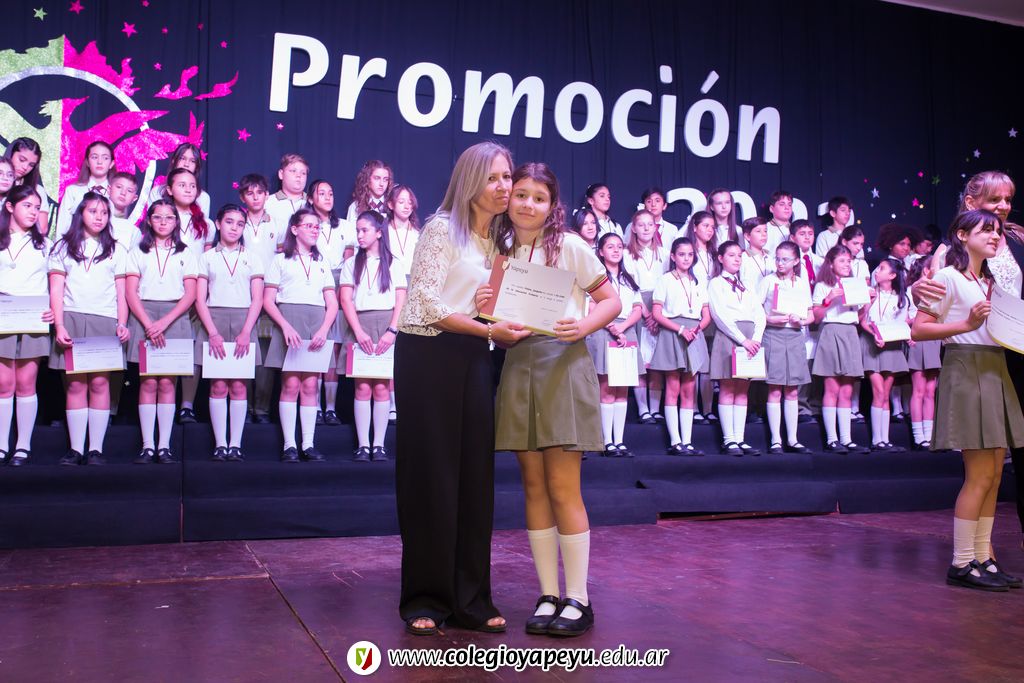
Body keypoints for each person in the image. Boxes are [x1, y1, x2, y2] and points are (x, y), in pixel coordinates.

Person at [479, 162, 619, 636]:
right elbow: (488, 311)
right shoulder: (499, 247)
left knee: (563, 487)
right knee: (533, 486)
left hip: (563, 363)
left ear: (552, 205)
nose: (527, 204)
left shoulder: (571, 246)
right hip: (518, 364)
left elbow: (612, 301)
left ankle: (578, 598)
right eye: (520, 194)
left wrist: (583, 326)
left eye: (539, 197)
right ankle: (547, 594)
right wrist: (485, 309)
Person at [394, 142, 529, 636]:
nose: (503, 186)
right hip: (428, 355)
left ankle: (471, 599)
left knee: (475, 477)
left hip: (474, 354)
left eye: (507, 176)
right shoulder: (440, 228)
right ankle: (426, 598)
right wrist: (489, 329)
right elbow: (424, 304)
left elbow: (490, 310)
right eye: (493, 177)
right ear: (470, 181)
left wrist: (504, 326)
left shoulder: (500, 242)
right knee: (431, 476)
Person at [911, 209, 1023, 590]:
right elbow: (919, 329)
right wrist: (967, 324)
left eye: (997, 231)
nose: (994, 236)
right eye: (985, 230)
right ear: (962, 235)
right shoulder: (947, 276)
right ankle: (961, 562)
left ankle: (983, 558)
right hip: (966, 368)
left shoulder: (989, 281)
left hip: (994, 369)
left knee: (992, 476)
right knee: (978, 475)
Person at [48, 192, 130, 465]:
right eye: (93, 211)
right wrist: (59, 324)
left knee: (100, 382)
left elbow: (121, 293)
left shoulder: (117, 249)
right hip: (71, 318)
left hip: (105, 319)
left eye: (104, 213)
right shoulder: (62, 247)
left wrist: (122, 323)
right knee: (75, 385)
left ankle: (95, 448)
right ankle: (76, 449)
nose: (99, 217)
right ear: (81, 213)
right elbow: (56, 290)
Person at [262, 209, 338, 463]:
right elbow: (268, 300)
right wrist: (285, 326)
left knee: (310, 386)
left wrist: (324, 330)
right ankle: (289, 445)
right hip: (290, 322)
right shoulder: (280, 260)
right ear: (294, 229)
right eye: (309, 226)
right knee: (291, 384)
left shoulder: (322, 262)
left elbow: (332, 303)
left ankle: (308, 443)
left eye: (317, 227)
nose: (314, 230)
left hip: (316, 323)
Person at [125, 200, 197, 465]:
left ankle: (164, 445)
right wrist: (148, 324)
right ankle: (147, 446)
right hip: (143, 315)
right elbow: (130, 292)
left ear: (176, 221)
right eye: (158, 217)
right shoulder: (137, 251)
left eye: (169, 217)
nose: (163, 222)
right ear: (149, 220)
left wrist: (164, 322)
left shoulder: (186, 253)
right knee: (148, 382)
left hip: (174, 318)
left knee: (167, 382)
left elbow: (190, 294)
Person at [194, 204, 264, 462]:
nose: (234, 228)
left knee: (239, 385)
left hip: (244, 321)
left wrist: (246, 331)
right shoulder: (207, 257)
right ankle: (220, 444)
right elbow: (200, 299)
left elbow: (257, 299)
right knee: (218, 384)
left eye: (240, 224)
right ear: (218, 223)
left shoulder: (253, 258)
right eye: (229, 222)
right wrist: (212, 333)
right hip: (214, 321)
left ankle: (235, 444)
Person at [339, 211, 405, 462]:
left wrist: (392, 330)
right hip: (360, 323)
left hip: (386, 324)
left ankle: (378, 444)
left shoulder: (393, 263)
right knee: (362, 386)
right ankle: (363, 445)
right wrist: (358, 331)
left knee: (382, 387)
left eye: (364, 230)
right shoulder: (350, 264)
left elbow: (400, 300)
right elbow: (346, 300)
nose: (359, 235)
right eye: (357, 230)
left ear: (379, 232)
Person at [0, 185, 52, 466]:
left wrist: (52, 311)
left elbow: (54, 284)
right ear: (10, 207)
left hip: (33, 319)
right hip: (3, 317)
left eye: (37, 207)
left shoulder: (44, 245)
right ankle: (1, 445)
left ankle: (23, 445)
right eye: (27, 206)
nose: (33, 212)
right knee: (3, 383)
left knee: (26, 382)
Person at [585, 233, 645, 457]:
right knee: (607, 387)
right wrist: (612, 326)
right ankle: (606, 441)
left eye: (619, 246)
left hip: (626, 332)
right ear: (601, 251)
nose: (616, 250)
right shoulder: (596, 277)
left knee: (622, 388)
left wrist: (623, 327)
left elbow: (637, 308)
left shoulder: (629, 279)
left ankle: (619, 441)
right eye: (610, 247)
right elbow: (591, 306)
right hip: (603, 330)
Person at [650, 236, 710, 455]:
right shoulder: (665, 280)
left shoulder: (697, 281)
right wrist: (680, 329)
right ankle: (675, 442)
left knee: (689, 388)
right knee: (673, 386)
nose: (686, 258)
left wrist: (697, 329)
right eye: (682, 254)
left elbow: (706, 315)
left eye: (690, 254)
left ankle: (687, 441)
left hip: (694, 333)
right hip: (674, 332)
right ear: (673, 257)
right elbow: (657, 314)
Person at [708, 241, 766, 456]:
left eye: (739, 256)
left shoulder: (746, 285)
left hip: (751, 338)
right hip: (730, 336)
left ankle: (740, 439)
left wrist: (756, 339)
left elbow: (759, 313)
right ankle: (729, 440)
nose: (736, 259)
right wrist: (743, 340)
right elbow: (720, 315)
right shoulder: (716, 283)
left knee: (743, 389)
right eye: (731, 255)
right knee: (727, 387)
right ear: (721, 258)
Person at [812, 245, 870, 453]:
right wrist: (829, 299)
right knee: (832, 388)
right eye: (842, 261)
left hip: (850, 333)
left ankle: (847, 439)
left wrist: (868, 302)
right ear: (831, 263)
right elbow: (816, 317)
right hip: (831, 331)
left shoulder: (854, 284)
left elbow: (859, 317)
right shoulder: (822, 285)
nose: (847, 264)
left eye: (849, 261)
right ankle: (832, 439)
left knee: (847, 389)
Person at [759, 240, 813, 453]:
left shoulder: (801, 283)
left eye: (785, 259)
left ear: (796, 261)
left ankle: (792, 439)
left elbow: (810, 314)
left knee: (792, 390)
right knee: (774, 388)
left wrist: (802, 320)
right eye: (778, 259)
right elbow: (755, 310)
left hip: (795, 336)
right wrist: (770, 319)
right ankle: (776, 440)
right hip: (773, 335)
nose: (780, 263)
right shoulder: (768, 281)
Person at [238, 173, 283, 424]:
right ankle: (242, 407)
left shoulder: (277, 223)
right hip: (241, 294)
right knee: (243, 351)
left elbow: (283, 257)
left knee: (265, 354)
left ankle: (262, 408)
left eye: (260, 192)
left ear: (267, 195)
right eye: (250, 193)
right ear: (242, 197)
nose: (255, 197)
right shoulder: (236, 221)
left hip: (268, 296)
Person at [622, 209, 669, 423]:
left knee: (657, 361)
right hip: (638, 305)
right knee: (640, 361)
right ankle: (643, 409)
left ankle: (655, 409)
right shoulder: (627, 253)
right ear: (634, 228)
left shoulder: (665, 253)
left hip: (660, 305)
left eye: (650, 224)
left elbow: (667, 283)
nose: (646, 228)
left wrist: (657, 314)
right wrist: (647, 313)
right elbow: (632, 286)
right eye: (641, 225)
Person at [859, 257, 910, 452]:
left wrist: (907, 337)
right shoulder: (870, 293)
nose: (877, 272)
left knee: (885, 394)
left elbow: (902, 324)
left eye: (882, 269)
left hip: (891, 346)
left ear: (892, 275)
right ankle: (876, 440)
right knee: (878, 391)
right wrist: (875, 334)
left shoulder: (901, 298)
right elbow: (862, 321)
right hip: (872, 344)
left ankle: (885, 439)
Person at [905, 257, 940, 450]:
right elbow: (906, 318)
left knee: (930, 391)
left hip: (934, 339)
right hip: (918, 339)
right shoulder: (912, 290)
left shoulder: (940, 288)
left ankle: (930, 435)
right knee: (918, 390)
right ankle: (918, 437)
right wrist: (911, 329)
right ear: (927, 270)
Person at [56, 141, 114, 238]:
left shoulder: (116, 194)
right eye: (94, 157)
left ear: (111, 163)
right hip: (76, 245)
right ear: (87, 162)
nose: (100, 162)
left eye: (105, 158)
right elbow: (63, 225)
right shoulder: (73, 191)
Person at [147, 143, 212, 219]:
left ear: (196, 167)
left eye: (192, 161)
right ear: (173, 161)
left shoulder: (203, 197)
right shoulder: (157, 192)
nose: (186, 164)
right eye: (182, 158)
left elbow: (202, 224)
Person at [5, 138, 49, 233]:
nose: (25, 167)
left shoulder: (37, 190)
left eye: (31, 165)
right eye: (22, 160)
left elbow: (42, 228)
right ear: (11, 154)